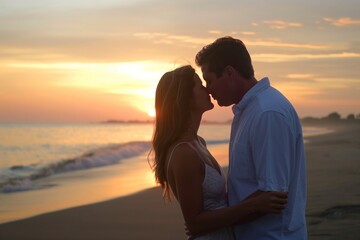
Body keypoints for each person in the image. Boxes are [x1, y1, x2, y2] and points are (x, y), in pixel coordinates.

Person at [148, 65, 288, 239]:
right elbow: (195, 223)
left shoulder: (198, 142)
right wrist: (253, 205)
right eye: (200, 85)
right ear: (186, 99)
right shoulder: (183, 153)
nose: (207, 89)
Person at [195, 36, 307, 239]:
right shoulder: (250, 111)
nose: (208, 89)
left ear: (229, 73)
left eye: (209, 80)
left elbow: (272, 197)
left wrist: (211, 222)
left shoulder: (267, 113)